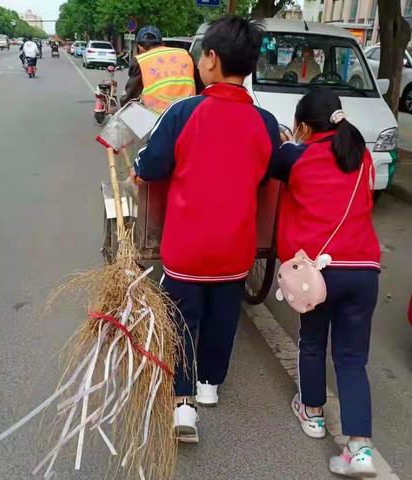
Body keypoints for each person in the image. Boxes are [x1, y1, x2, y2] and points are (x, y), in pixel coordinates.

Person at [132, 16, 280, 443]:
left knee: (182, 318)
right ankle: (210, 385)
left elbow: (151, 164)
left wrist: (140, 171)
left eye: (201, 55)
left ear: (212, 59)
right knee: (222, 318)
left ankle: (183, 403)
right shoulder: (266, 122)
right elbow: (270, 168)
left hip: (186, 247)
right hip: (236, 249)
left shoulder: (183, 112)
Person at [270, 88, 380, 478]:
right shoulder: (361, 155)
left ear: (303, 125)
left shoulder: (296, 154)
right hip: (365, 269)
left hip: (318, 272)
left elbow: (273, 165)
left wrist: (287, 141)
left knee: (313, 341)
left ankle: (312, 414)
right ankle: (360, 448)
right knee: (352, 358)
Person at [121, 26, 198, 113]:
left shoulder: (141, 60)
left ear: (140, 48)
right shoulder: (185, 54)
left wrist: (122, 106)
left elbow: (130, 98)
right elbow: (198, 86)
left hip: (158, 118)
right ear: (162, 44)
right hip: (188, 114)